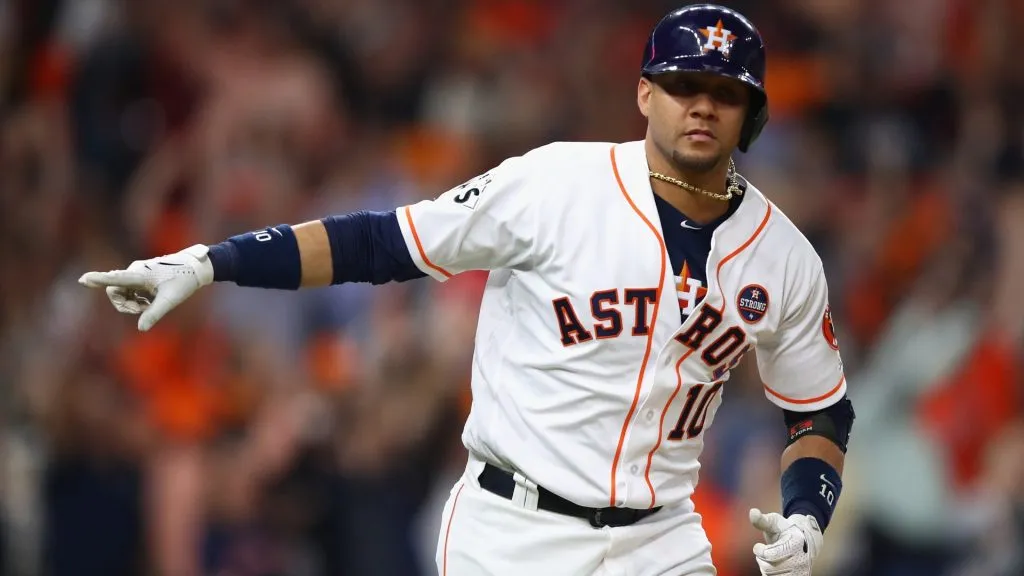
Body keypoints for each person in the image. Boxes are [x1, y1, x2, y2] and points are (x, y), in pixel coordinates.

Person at [80, 4, 855, 575]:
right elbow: (382, 242)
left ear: (753, 112)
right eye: (685, 83)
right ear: (646, 94)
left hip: (661, 541)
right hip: (513, 532)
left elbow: (818, 406)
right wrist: (218, 261)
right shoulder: (553, 184)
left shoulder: (783, 257)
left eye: (725, 92)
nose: (703, 106)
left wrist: (809, 515)